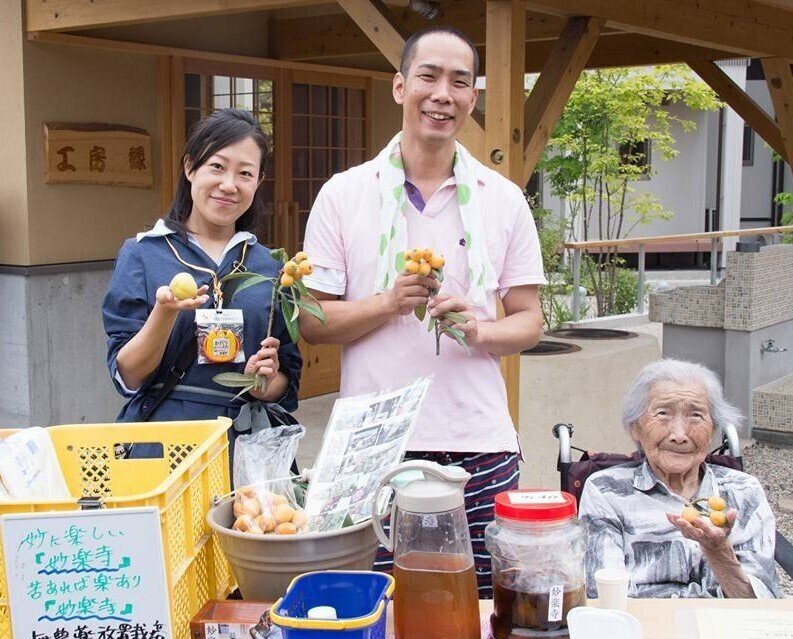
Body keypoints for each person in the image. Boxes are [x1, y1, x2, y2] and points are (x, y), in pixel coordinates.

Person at [298, 26, 545, 596]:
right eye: (428, 76)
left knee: (479, 604)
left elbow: (530, 320)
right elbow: (312, 322)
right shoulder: (343, 194)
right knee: (381, 606)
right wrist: (390, 301)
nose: (443, 94)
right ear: (399, 86)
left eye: (460, 82)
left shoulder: (501, 198)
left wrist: (480, 329)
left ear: (472, 99)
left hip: (478, 439)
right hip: (374, 444)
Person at [102, 109, 302, 457]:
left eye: (245, 173)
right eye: (217, 166)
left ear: (259, 181)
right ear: (190, 167)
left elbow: (287, 380)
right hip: (163, 445)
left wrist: (263, 383)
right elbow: (128, 376)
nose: (229, 184)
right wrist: (164, 314)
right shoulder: (143, 254)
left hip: (246, 449)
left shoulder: (272, 267)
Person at [579, 359, 779, 599]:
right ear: (635, 428)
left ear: (713, 429)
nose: (679, 435)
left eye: (695, 416)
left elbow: (761, 606)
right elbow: (602, 595)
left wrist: (718, 552)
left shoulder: (744, 491)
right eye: (663, 413)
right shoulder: (606, 491)